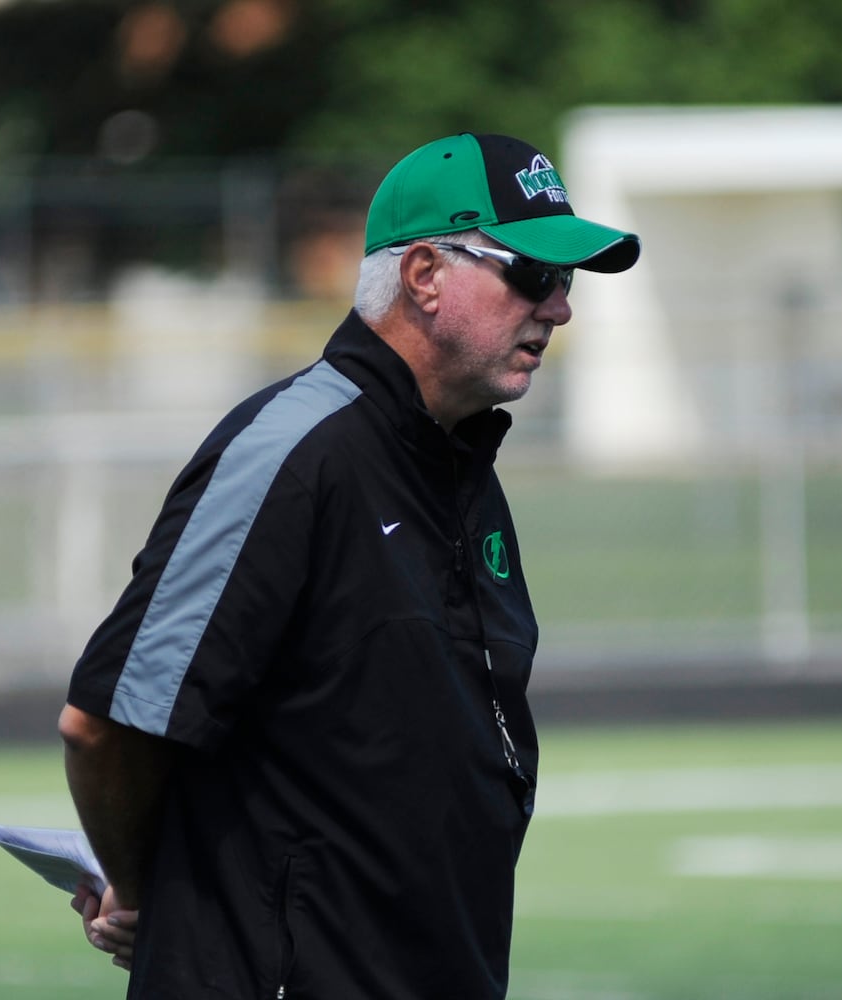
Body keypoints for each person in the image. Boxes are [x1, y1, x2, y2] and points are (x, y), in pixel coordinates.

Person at [57, 131, 641, 999]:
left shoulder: (455, 466)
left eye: (565, 283)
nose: (557, 308)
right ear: (425, 277)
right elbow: (109, 720)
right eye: (532, 275)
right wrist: (140, 891)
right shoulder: (294, 451)